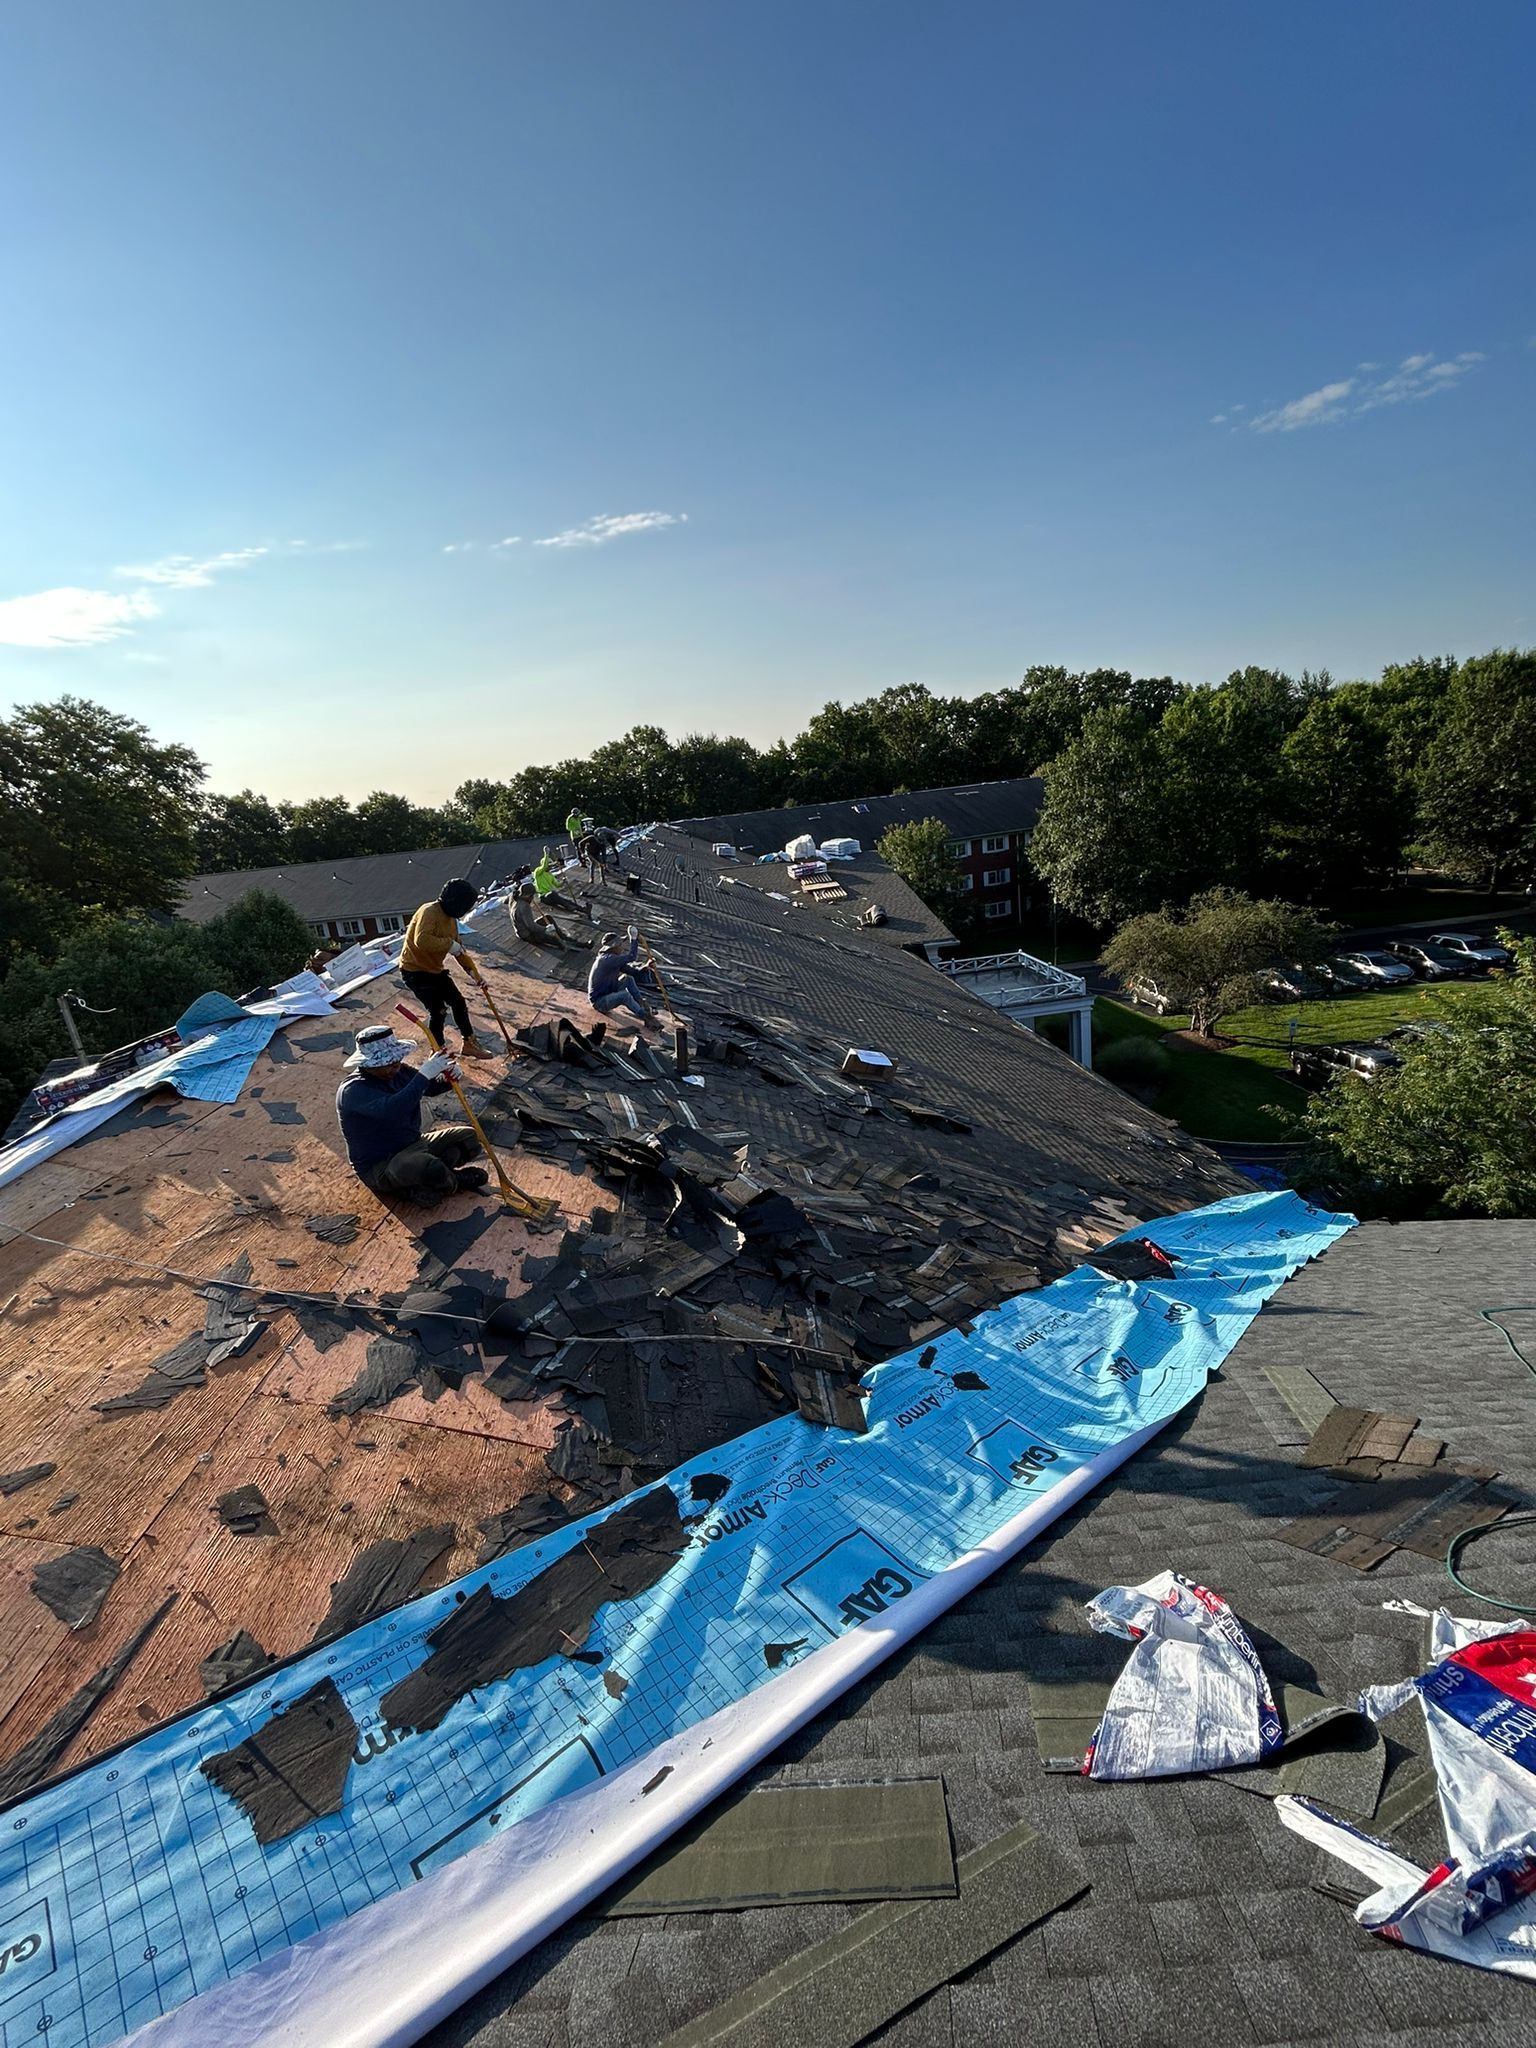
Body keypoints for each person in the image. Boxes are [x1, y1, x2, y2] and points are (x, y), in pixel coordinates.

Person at [335, 1026, 487, 1207]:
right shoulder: (353, 1091)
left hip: (413, 1143)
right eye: (389, 1063)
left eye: (397, 1061)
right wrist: (423, 1075)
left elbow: (428, 1088)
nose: (396, 1066)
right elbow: (395, 1109)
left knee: (468, 1137)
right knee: (425, 1165)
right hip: (381, 1164)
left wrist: (446, 1079)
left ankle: (428, 1181)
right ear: (369, 1065)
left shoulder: (398, 1071)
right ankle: (454, 1181)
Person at [400, 879, 491, 1057]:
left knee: (458, 1002)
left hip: (435, 970)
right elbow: (422, 940)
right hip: (414, 971)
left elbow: (459, 950)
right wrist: (449, 944)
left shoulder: (450, 920)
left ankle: (469, 1043)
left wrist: (475, 975)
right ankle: (438, 1052)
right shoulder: (429, 912)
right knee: (438, 1011)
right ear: (455, 902)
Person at [587, 926, 660, 1024]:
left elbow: (634, 972)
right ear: (614, 946)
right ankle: (644, 1015)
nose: (622, 947)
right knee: (624, 996)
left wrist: (646, 966)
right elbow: (631, 957)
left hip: (608, 992)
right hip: (600, 1002)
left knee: (628, 978)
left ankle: (641, 1003)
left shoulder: (614, 960)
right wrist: (633, 939)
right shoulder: (608, 959)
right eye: (620, 945)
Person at [512, 879, 567, 950]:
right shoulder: (525, 907)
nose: (532, 898)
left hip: (523, 927)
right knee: (554, 939)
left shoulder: (516, 899)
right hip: (527, 934)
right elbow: (531, 927)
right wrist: (545, 929)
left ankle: (562, 936)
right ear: (528, 896)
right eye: (532, 896)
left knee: (548, 918)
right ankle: (562, 944)